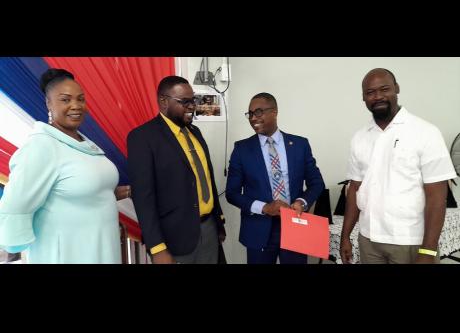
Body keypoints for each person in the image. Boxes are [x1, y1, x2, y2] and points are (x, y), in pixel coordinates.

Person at [0, 68, 130, 263]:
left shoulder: (85, 143)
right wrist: (15, 245)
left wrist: (121, 194)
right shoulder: (41, 146)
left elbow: (79, 189)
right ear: (48, 103)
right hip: (68, 254)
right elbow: (15, 205)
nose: (76, 105)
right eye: (65, 99)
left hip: (102, 249)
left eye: (80, 99)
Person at [340, 68, 457, 264]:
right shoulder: (359, 137)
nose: (378, 96)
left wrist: (428, 252)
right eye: (370, 92)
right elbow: (355, 189)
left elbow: (437, 197)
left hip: (410, 241)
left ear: (397, 88)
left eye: (384, 89)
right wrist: (345, 236)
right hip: (368, 240)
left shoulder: (425, 132)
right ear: (363, 97)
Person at [127, 76, 226, 264]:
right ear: (163, 102)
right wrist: (157, 248)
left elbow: (206, 178)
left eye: (193, 100)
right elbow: (143, 199)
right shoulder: (142, 138)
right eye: (185, 102)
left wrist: (218, 220)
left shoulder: (195, 132)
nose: (192, 106)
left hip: (209, 230)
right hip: (174, 240)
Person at [225, 92, 325, 264]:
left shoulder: (300, 145)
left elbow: (316, 183)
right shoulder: (242, 149)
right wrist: (264, 207)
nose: (253, 118)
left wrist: (302, 201)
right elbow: (232, 193)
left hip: (295, 226)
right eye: (250, 113)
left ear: (274, 112)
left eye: (258, 112)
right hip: (258, 229)